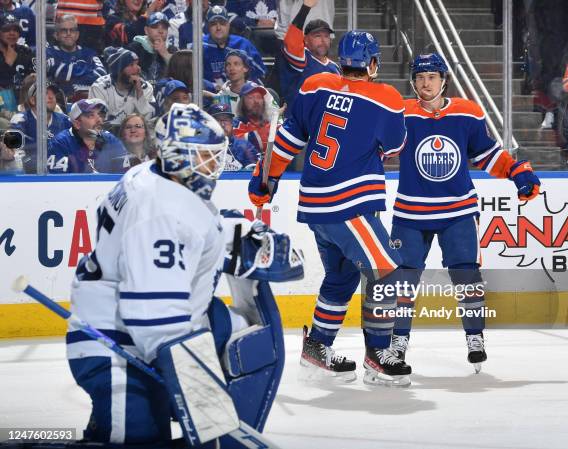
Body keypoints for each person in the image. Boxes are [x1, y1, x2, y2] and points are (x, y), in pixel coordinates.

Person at [66, 102, 298, 444]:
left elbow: (191, 229)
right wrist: (200, 393)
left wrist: (236, 232)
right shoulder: (159, 210)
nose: (214, 166)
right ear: (177, 155)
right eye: (205, 156)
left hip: (130, 336)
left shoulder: (152, 175)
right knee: (139, 438)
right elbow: (153, 317)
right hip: (117, 347)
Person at [248, 31, 412, 386]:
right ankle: (379, 355)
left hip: (315, 204)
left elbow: (289, 140)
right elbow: (396, 145)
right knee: (388, 276)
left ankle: (318, 347)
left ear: (341, 61)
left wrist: (266, 181)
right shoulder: (386, 97)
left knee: (341, 278)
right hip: (350, 205)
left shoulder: (315, 85)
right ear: (372, 63)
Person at [388, 53, 542, 373]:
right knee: (403, 279)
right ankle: (398, 339)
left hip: (457, 210)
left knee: (466, 276)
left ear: (444, 79)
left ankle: (475, 337)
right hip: (410, 212)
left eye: (431, 76)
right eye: (419, 77)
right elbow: (373, 145)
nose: (424, 83)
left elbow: (486, 155)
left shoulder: (467, 112)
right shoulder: (400, 113)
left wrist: (516, 171)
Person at [280, 0, 339, 111]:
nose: (323, 40)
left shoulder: (335, 68)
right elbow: (292, 40)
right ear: (305, 39)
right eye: (317, 36)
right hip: (298, 123)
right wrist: (305, 8)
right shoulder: (303, 58)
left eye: (326, 36)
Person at [47, 98, 129, 173]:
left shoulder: (111, 140)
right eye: (91, 115)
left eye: (100, 115)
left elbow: (125, 176)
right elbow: (58, 183)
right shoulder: (60, 144)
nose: (99, 120)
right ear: (77, 124)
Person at [9, 79, 71, 173]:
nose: (51, 97)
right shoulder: (20, 120)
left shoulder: (65, 120)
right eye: (45, 93)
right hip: (30, 178)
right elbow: (13, 151)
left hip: (62, 177)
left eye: (53, 94)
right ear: (33, 100)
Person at [47, 14, 107, 102]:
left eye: (72, 30)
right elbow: (58, 72)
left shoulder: (89, 53)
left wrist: (72, 74)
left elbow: (101, 74)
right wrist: (86, 71)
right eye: (64, 30)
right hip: (61, 102)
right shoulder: (49, 52)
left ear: (77, 34)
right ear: (56, 35)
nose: (68, 34)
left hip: (90, 102)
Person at [89, 47, 156, 126]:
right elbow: (97, 121)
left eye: (137, 64)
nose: (138, 68)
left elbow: (148, 120)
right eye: (131, 65)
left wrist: (139, 92)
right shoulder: (99, 87)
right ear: (118, 70)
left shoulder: (145, 87)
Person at [202, 5, 266, 87]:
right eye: (214, 24)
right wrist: (212, 86)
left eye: (222, 23)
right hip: (210, 96)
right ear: (208, 27)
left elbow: (260, 74)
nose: (218, 28)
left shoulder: (243, 44)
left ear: (228, 25)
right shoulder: (200, 47)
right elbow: (192, 79)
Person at [127, 12, 178, 84]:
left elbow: (179, 73)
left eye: (164, 28)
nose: (160, 31)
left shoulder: (172, 50)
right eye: (155, 27)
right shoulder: (134, 48)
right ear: (146, 30)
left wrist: (165, 53)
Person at [209, 101, 258, 170]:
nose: (222, 125)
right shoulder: (200, 147)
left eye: (226, 120)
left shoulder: (245, 146)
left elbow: (253, 174)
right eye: (217, 120)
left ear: (232, 123)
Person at [0, 13, 34, 111]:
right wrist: (7, 63)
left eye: (16, 30)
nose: (12, 33)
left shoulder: (26, 52)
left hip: (25, 104)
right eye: (7, 30)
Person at [234, 81, 271, 153]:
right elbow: (238, 145)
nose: (256, 101)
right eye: (251, 97)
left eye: (259, 97)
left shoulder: (269, 122)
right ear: (242, 102)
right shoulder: (236, 124)